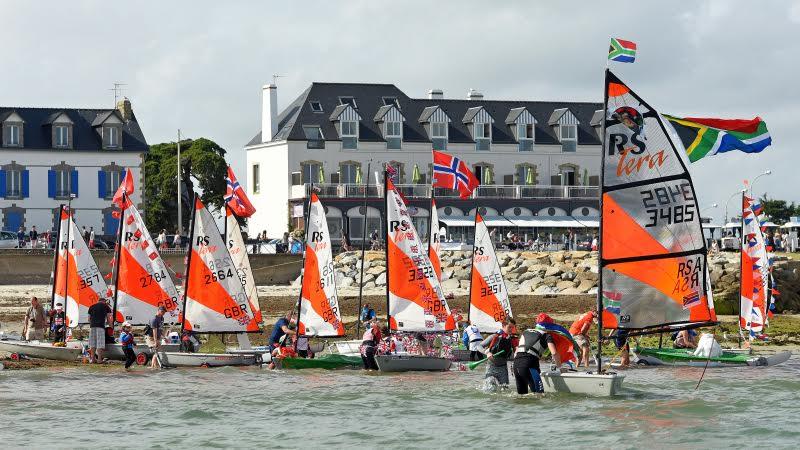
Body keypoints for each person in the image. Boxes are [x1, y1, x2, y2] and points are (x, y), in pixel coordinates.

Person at [513, 314, 560, 395]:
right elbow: (554, 352)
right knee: (539, 395)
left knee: (522, 396)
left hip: (516, 365)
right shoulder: (547, 335)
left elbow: (516, 352)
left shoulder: (525, 332)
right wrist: (559, 366)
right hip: (529, 366)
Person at [477, 319, 516, 386]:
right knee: (489, 389)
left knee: (505, 390)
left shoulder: (512, 339)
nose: (511, 329)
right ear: (503, 326)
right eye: (509, 327)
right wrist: (487, 353)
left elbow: (515, 352)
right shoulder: (494, 337)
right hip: (491, 368)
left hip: (503, 369)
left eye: (512, 327)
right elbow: (479, 346)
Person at [87, 298, 112, 363]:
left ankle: (93, 359)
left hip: (92, 326)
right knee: (100, 343)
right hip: (100, 326)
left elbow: (89, 319)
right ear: (104, 301)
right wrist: (111, 327)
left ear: (98, 301)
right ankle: (99, 359)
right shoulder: (106, 306)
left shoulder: (91, 307)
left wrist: (93, 323)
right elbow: (109, 319)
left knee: (93, 343)